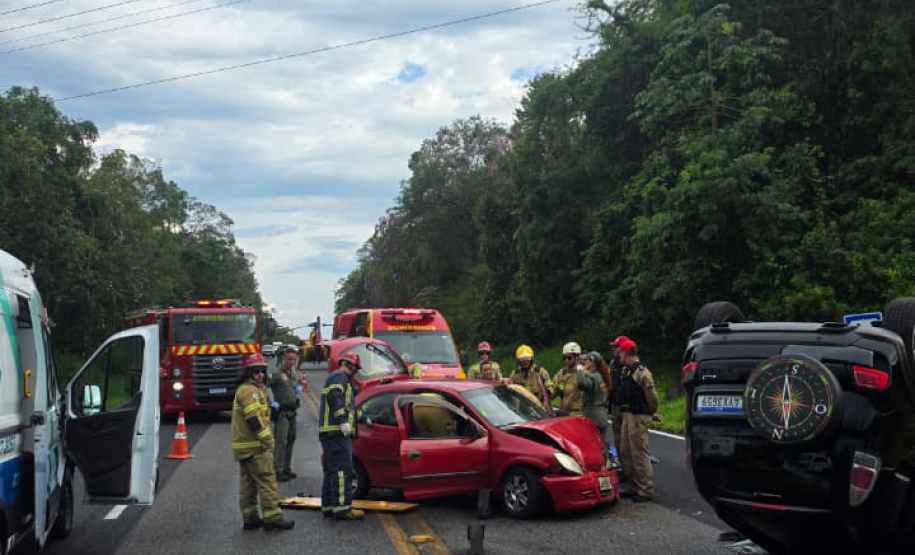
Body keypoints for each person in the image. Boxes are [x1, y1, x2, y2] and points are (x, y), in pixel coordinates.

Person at [232, 353, 295, 531]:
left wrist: (272, 413)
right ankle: (273, 517)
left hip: (245, 448)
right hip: (256, 447)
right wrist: (267, 439)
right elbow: (253, 419)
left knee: (248, 484)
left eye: (262, 371)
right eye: (256, 371)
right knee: (267, 480)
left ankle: (250, 518)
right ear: (249, 373)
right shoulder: (250, 391)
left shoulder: (250, 389)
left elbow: (260, 415)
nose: (260, 374)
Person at [319, 352, 364, 520]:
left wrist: (364, 418)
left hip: (331, 432)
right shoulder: (340, 376)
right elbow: (334, 397)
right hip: (336, 432)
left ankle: (329, 505)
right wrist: (343, 421)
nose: (355, 373)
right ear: (350, 365)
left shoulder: (339, 378)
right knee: (342, 471)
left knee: (332, 471)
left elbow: (349, 408)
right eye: (356, 369)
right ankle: (343, 508)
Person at [616, 337, 659, 503]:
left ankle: (645, 488)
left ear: (626, 353)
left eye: (620, 351)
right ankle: (634, 485)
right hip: (627, 414)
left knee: (639, 452)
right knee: (626, 451)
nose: (618, 354)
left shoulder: (642, 372)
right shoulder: (627, 370)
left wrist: (652, 411)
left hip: (638, 415)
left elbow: (652, 397)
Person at [269, 348, 306, 481]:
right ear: (283, 359)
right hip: (282, 413)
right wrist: (271, 404)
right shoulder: (276, 374)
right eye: (289, 359)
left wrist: (299, 388)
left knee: (290, 441)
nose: (292, 362)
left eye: (294, 360)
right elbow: (263, 387)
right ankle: (277, 470)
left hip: (292, 412)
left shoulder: (294, 373)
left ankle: (286, 468)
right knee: (281, 441)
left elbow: (297, 386)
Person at [578, 351, 609, 447]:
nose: (584, 362)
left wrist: (579, 371)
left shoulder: (594, 376)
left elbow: (583, 384)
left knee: (592, 447)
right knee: (600, 445)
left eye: (586, 360)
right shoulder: (602, 375)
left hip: (593, 416)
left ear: (592, 362)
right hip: (601, 415)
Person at [607, 336, 627, 458]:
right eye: (613, 347)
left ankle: (631, 466)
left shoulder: (629, 363)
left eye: (616, 347)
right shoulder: (613, 362)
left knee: (627, 437)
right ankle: (622, 463)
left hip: (626, 406)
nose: (613, 349)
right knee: (617, 436)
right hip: (615, 403)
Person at [551, 342, 584, 415]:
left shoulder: (584, 373)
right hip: (564, 414)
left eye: (569, 358)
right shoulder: (561, 373)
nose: (566, 360)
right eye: (564, 358)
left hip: (579, 414)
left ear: (577, 357)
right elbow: (552, 393)